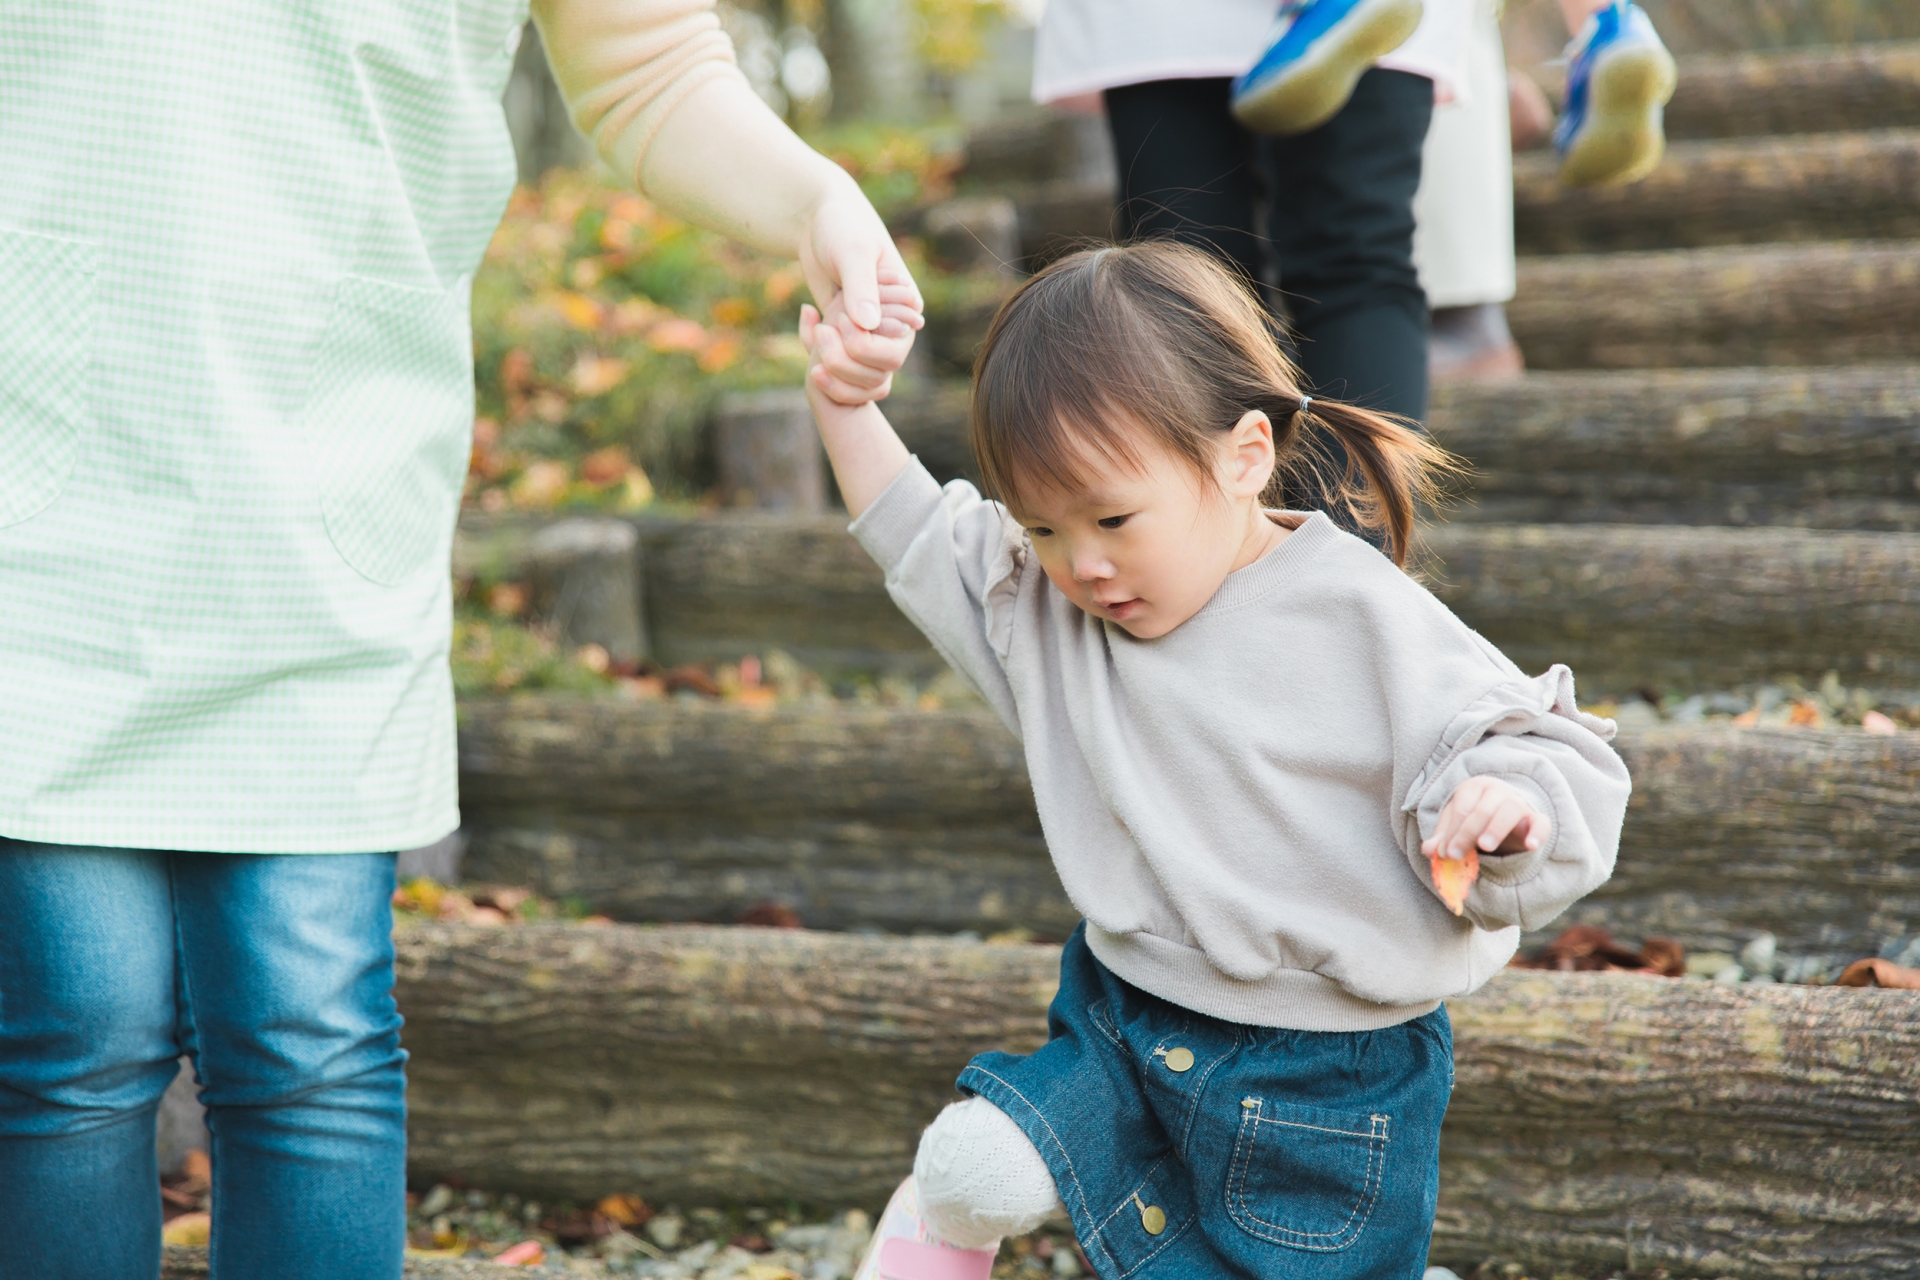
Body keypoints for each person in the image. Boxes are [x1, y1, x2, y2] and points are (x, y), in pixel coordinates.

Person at [0, 2, 916, 1277]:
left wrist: (815, 198)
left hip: (322, 472)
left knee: (304, 1034)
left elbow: (647, 60)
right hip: (35, 482)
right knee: (72, 1039)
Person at [801, 242, 1630, 1279]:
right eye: (1043, 527)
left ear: (1243, 456)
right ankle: (929, 1234)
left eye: (1112, 518)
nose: (1082, 564)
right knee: (973, 1165)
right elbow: (920, 532)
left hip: (1328, 1076)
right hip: (1124, 1019)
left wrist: (1506, 803)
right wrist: (843, 400)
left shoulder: (1359, 613)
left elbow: (1536, 743)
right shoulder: (1049, 610)